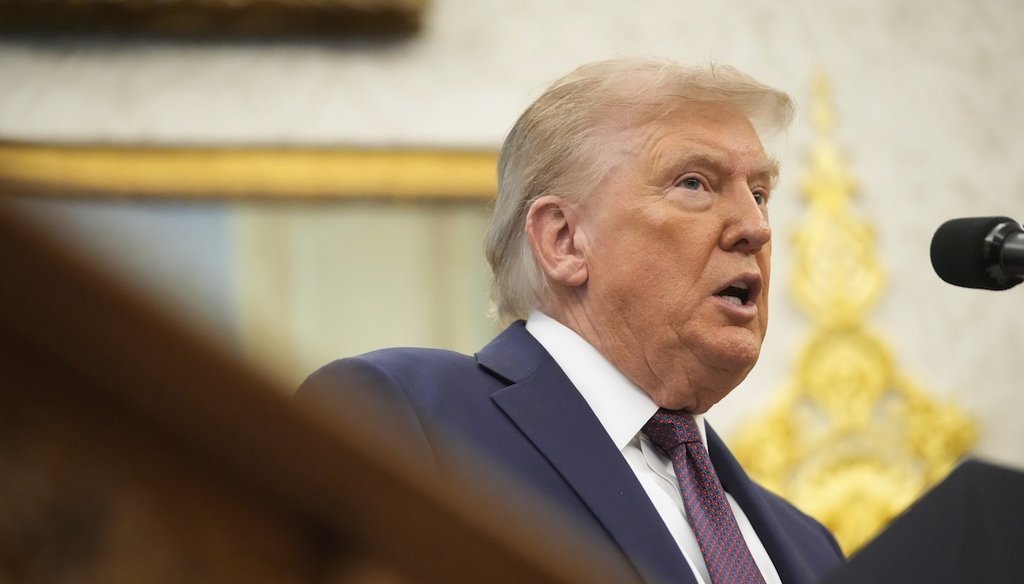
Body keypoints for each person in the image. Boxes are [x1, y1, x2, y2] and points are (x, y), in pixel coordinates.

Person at [299, 58, 845, 584]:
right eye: (695, 183)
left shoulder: (811, 548)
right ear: (563, 240)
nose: (755, 227)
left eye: (759, 193)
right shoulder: (409, 421)